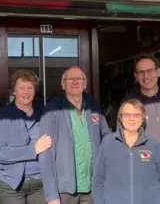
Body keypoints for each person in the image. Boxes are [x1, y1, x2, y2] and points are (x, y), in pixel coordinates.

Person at [40, 66, 110, 204]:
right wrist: (51, 195)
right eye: (70, 79)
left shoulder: (94, 107)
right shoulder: (52, 110)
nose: (75, 82)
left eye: (79, 79)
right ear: (63, 84)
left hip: (92, 188)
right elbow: (45, 153)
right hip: (64, 191)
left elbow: (106, 140)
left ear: (85, 84)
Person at [92, 99, 160, 204]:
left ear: (142, 118)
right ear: (120, 117)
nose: (132, 119)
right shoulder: (108, 143)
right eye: (127, 115)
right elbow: (98, 179)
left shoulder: (153, 145)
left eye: (137, 115)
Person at [0, 69, 52, 204]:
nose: (26, 92)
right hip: (11, 185)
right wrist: (34, 150)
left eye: (30, 88)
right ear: (14, 91)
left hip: (40, 184)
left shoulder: (44, 113)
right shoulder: (3, 117)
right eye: (22, 88)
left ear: (35, 91)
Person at [121, 54, 160, 200]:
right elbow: (121, 139)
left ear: (158, 72)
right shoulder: (129, 102)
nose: (146, 76)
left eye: (150, 70)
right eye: (141, 72)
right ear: (136, 76)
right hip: (143, 175)